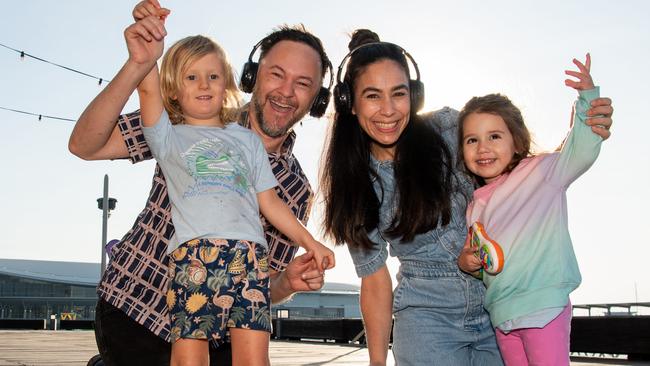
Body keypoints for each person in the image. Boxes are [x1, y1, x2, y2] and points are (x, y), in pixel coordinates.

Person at [320, 29, 614, 366]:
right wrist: (376, 362)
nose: (388, 110)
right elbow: (374, 279)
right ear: (350, 104)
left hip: (500, 305)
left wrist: (584, 130)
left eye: (398, 94)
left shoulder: (448, 128)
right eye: (372, 96)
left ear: (414, 96)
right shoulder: (354, 184)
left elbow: (519, 169)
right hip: (426, 318)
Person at [68, 1, 334, 365]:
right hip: (135, 309)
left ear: (317, 98)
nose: (286, 91)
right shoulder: (190, 116)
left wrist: (287, 281)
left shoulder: (297, 189)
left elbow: (259, 285)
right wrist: (139, 64)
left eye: (302, 83)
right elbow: (85, 144)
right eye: (276, 74)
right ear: (251, 75)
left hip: (219, 330)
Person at [456, 54, 601, 365]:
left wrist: (587, 97)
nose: (483, 147)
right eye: (472, 140)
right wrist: (468, 262)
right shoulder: (475, 206)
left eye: (494, 136)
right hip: (502, 315)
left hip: (543, 306)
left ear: (517, 141)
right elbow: (486, 261)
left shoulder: (542, 172)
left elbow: (583, 148)